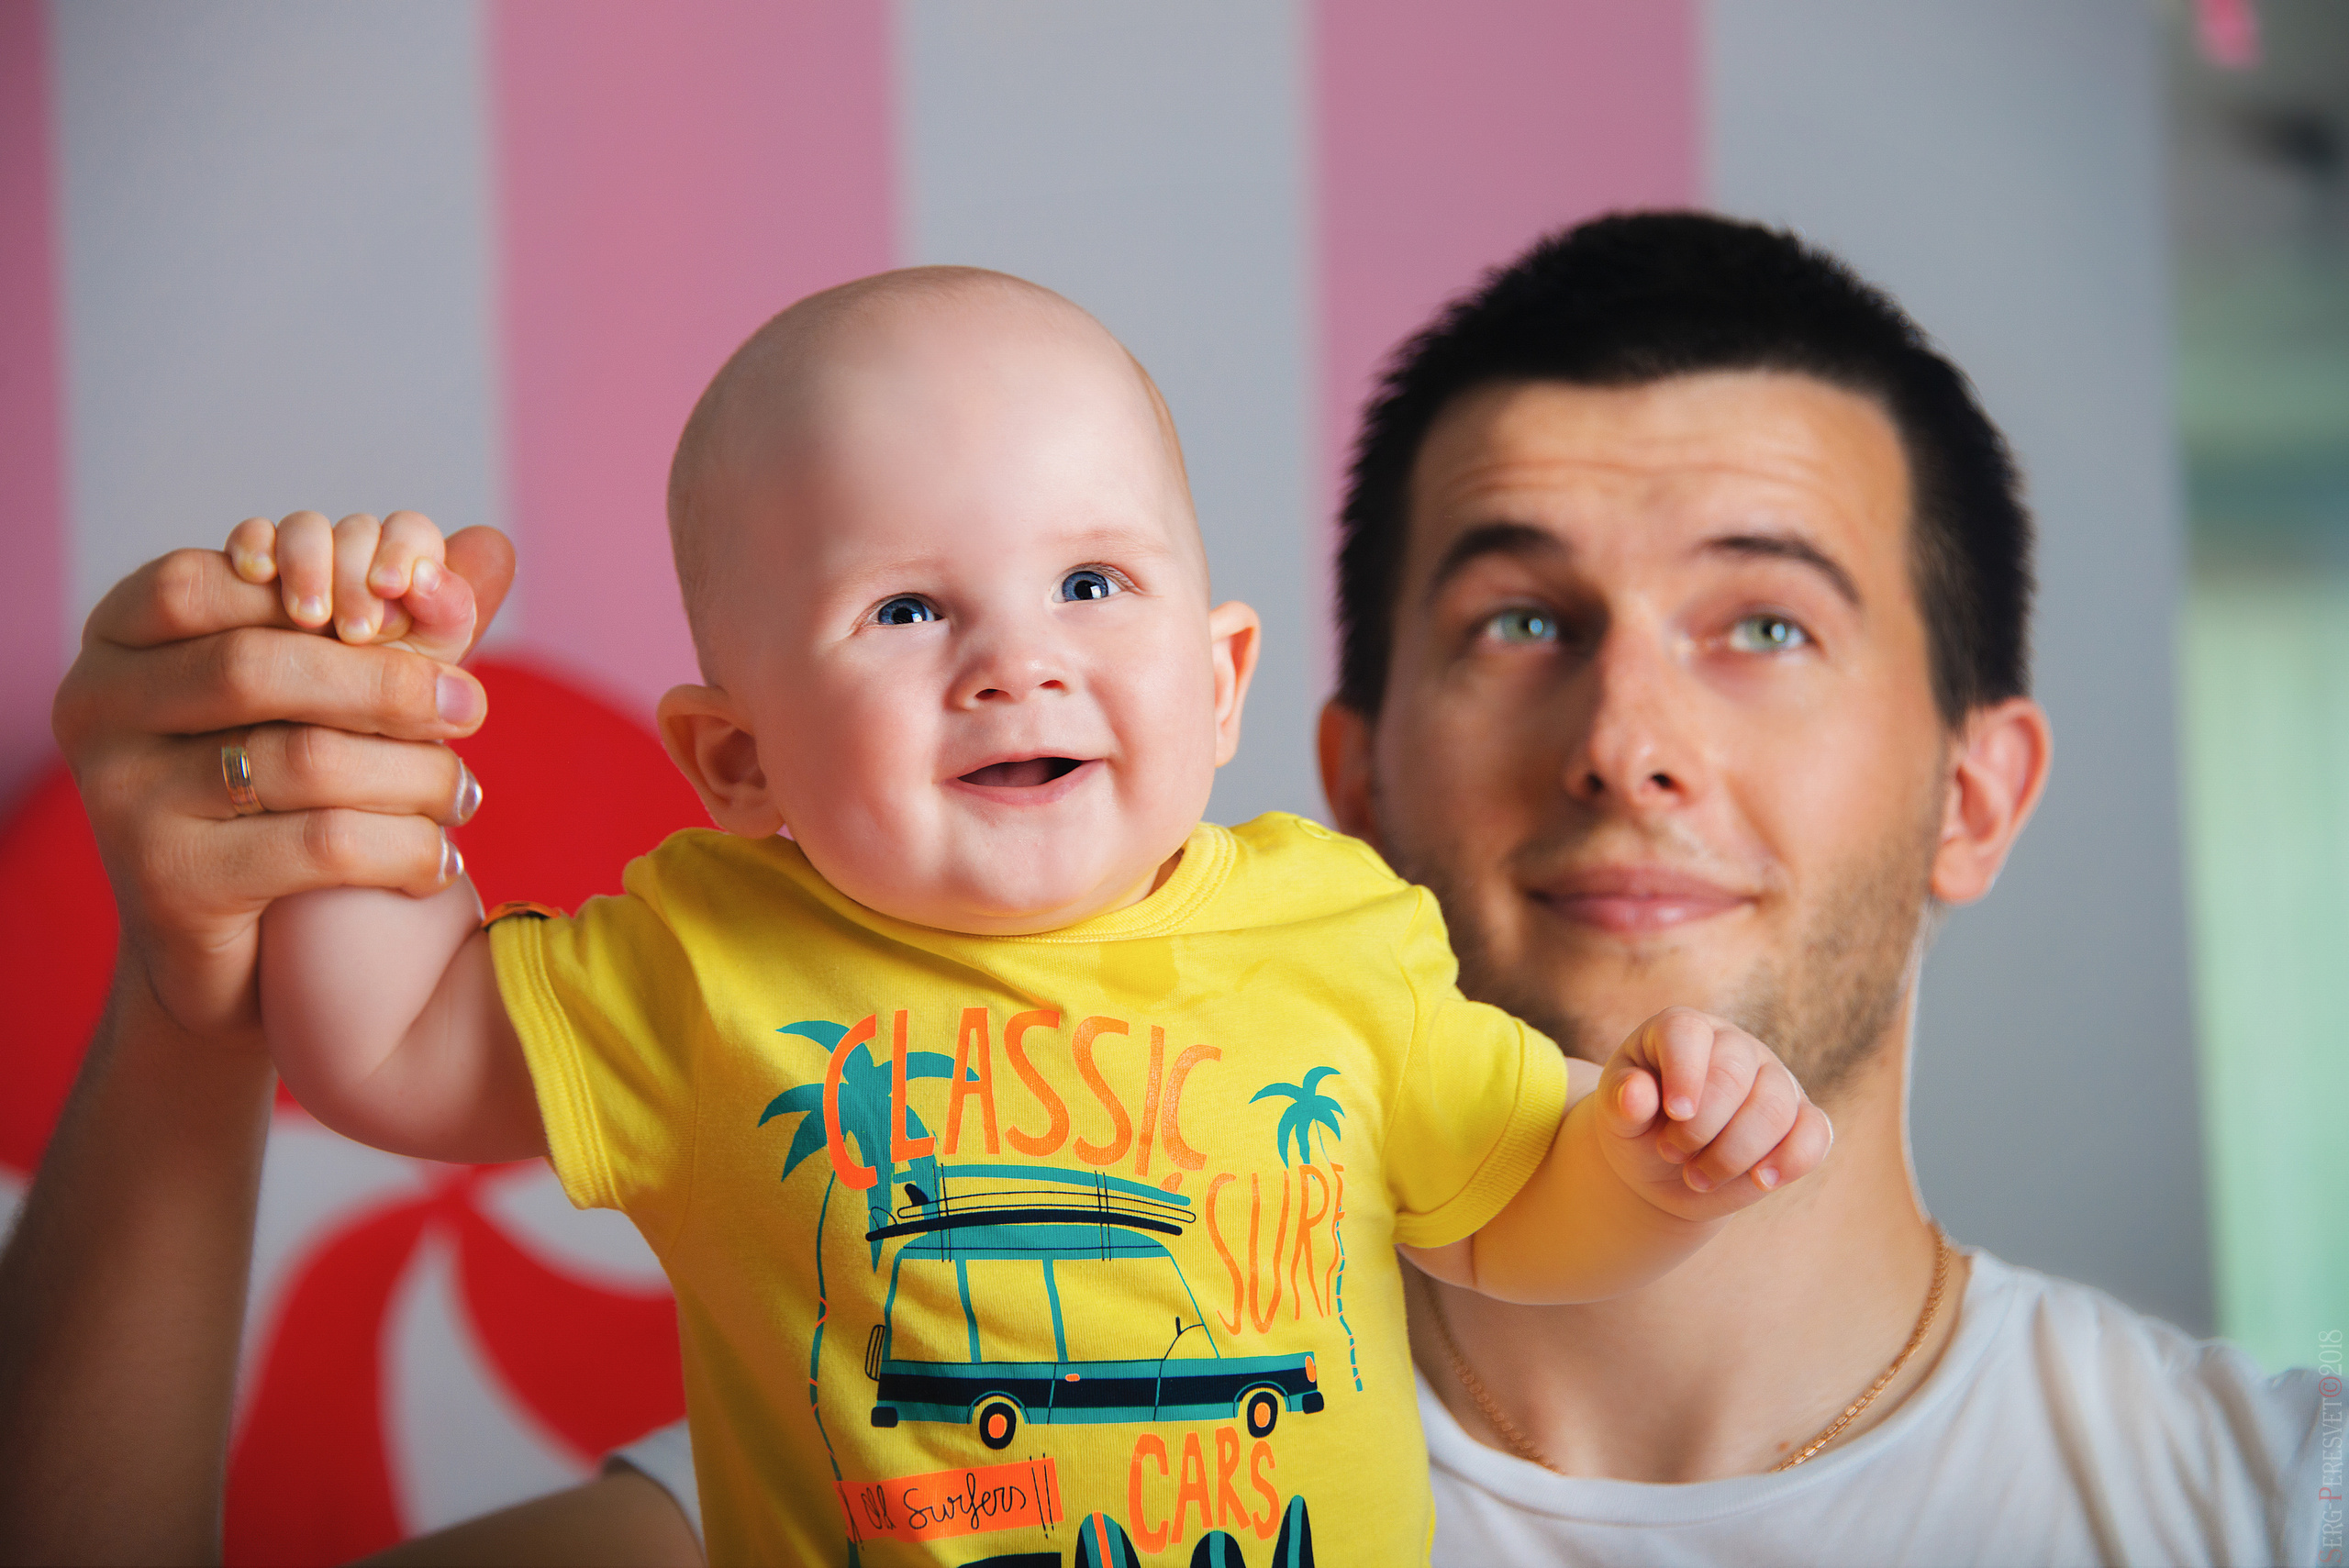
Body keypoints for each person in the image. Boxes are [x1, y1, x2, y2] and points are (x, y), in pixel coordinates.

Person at [0, 212, 2323, 1566]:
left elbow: (1529, 1193)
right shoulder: (811, 1424)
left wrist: (1646, 1181)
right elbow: (392, 1040)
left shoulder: (2260, 1504)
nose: (1623, 732)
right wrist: (285, 847)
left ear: (1976, 788)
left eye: (1764, 621)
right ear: (1331, 764)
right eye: (1516, 617)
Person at [239, 265, 1825, 1564]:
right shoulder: (703, 961)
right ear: (739, 759)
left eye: (1091, 584)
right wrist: (357, 731)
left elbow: (1502, 1212)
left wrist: (1647, 1169)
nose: (1017, 660)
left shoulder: (1331, 927)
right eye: (907, 608)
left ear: (1218, 685)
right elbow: (387, 1046)